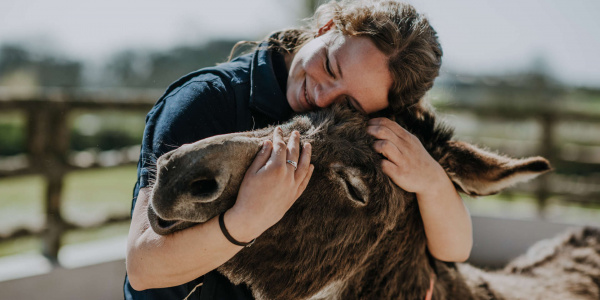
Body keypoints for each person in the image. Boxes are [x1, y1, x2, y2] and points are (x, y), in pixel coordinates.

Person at [124, 0, 473, 299]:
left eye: (348, 102)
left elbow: (453, 251)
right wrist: (246, 220)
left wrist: (430, 178)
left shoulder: (363, 134)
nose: (321, 97)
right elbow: (142, 268)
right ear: (326, 26)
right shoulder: (205, 100)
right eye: (330, 66)